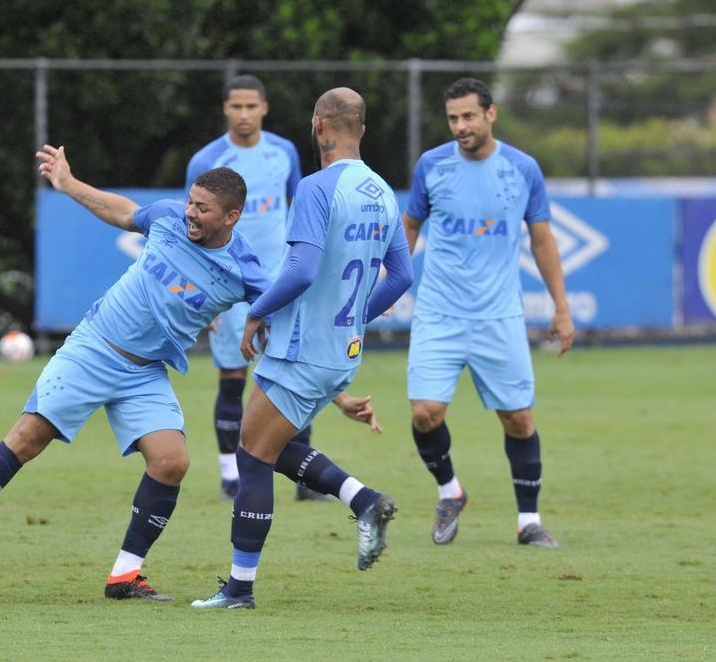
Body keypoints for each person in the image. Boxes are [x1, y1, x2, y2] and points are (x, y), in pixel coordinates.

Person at [0, 145, 271, 601]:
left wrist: (264, 317)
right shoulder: (168, 219)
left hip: (144, 373)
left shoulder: (244, 269)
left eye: (204, 209)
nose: (190, 214)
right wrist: (66, 182)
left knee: (172, 462)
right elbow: (124, 212)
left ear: (232, 217)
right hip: (94, 347)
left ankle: (124, 575)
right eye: (190, 203)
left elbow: (281, 298)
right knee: (27, 438)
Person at [191, 87, 414, 610]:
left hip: (303, 347)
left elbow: (302, 269)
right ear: (363, 129)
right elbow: (402, 275)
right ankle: (364, 500)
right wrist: (356, 316)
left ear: (319, 127)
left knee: (251, 456)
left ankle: (239, 588)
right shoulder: (383, 192)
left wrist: (258, 310)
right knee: (266, 443)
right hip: (343, 349)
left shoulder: (316, 188)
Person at [404, 77, 573, 548]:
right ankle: (450, 492)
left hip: (498, 315)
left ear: (490, 114)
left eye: (468, 116)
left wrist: (561, 308)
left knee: (518, 420)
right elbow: (410, 225)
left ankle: (528, 522)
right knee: (424, 413)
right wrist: (388, 281)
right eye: (453, 118)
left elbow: (542, 241)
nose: (460, 126)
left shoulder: (523, 169)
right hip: (438, 311)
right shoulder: (432, 166)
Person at [185, 75, 316, 501]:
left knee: (295, 375)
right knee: (232, 378)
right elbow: (193, 231)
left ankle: (305, 476)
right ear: (226, 109)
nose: (244, 114)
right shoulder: (207, 158)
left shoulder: (284, 152)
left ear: (264, 107)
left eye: (251, 106)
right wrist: (208, 301)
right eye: (236, 106)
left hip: (279, 284)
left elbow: (300, 212)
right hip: (228, 290)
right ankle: (229, 475)